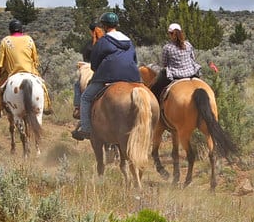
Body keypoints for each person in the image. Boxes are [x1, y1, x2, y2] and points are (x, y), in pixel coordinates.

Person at [72, 11, 140, 141]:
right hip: (132, 76)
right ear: (116, 24)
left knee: (85, 98)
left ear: (104, 25)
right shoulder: (128, 41)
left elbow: (94, 64)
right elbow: (135, 60)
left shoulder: (103, 41)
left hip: (108, 76)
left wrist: (100, 71)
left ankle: (86, 129)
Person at [0, 19, 53, 119]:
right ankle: (46, 105)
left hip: (12, 72)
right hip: (29, 70)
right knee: (42, 85)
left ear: (10, 30)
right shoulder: (29, 39)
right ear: (21, 29)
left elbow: (0, 61)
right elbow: (35, 59)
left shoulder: (5, 41)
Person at [149, 22, 202, 100]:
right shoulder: (188, 44)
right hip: (191, 72)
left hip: (175, 75)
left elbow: (164, 64)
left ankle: (154, 101)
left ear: (170, 34)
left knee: (156, 87)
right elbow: (193, 58)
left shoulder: (167, 47)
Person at [73, 22, 104, 119]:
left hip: (91, 67)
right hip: (106, 67)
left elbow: (86, 59)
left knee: (77, 85)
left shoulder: (89, 44)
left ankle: (78, 108)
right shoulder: (106, 42)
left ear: (91, 31)